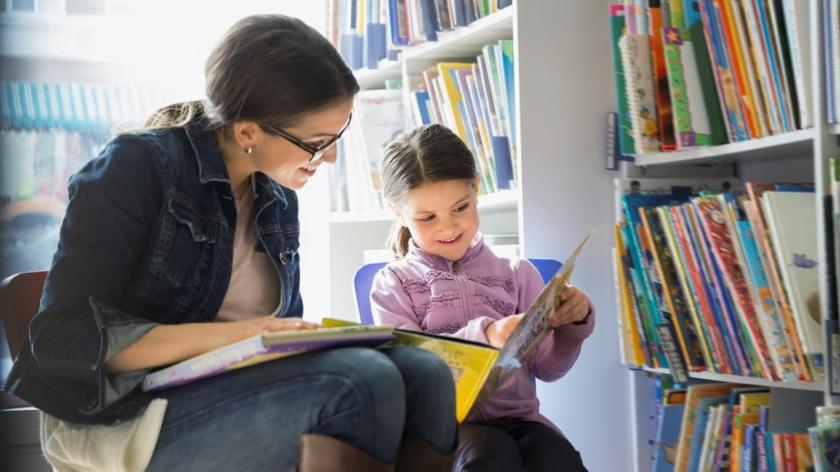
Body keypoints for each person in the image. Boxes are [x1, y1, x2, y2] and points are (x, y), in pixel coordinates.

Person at [4, 15, 457, 472]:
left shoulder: (277, 196)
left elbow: (278, 335)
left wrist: (302, 339)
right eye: (317, 143)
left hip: (228, 389)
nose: (331, 156)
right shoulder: (138, 166)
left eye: (337, 137)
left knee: (428, 374)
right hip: (120, 415)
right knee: (361, 382)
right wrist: (239, 336)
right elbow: (62, 337)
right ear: (247, 133)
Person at [370, 124, 595, 472]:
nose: (448, 227)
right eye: (427, 217)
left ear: (476, 187)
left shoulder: (516, 273)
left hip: (519, 421)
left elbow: (548, 369)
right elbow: (411, 376)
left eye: (461, 207)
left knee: (557, 457)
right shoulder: (393, 284)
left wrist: (572, 327)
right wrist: (485, 336)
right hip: (439, 431)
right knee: (491, 453)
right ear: (397, 212)